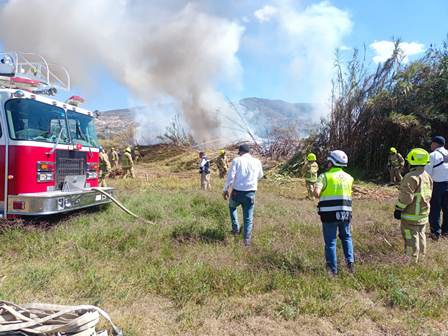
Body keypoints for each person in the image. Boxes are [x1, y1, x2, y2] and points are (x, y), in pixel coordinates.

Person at [314, 150, 355, 276]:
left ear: (332, 162)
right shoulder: (350, 178)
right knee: (346, 238)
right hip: (345, 213)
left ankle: (332, 271)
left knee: (331, 242)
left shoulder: (324, 176)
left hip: (329, 214)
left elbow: (316, 193)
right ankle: (350, 265)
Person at [394, 148, 432, 262]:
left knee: (410, 237)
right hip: (423, 214)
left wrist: (398, 209)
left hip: (410, 215)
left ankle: (410, 261)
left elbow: (406, 198)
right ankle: (422, 258)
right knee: (421, 235)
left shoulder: (411, 177)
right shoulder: (427, 176)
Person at [223, 144, 263, 246]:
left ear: (240, 152)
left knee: (232, 207)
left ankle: (235, 229)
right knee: (248, 217)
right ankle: (247, 241)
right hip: (250, 193)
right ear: (249, 152)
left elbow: (230, 176)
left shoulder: (237, 160)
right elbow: (260, 175)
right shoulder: (257, 161)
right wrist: (251, 181)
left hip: (237, 192)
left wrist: (225, 189)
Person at [425, 136, 448, 240]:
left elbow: (427, 174)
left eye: (432, 143)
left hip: (437, 186)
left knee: (435, 209)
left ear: (435, 144)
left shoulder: (432, 155)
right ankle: (446, 232)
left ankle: (435, 233)